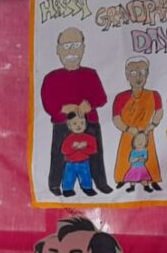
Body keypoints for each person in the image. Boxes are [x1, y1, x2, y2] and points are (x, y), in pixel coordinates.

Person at [39, 27, 112, 196]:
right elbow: (48, 103)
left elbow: (101, 98)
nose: (71, 51)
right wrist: (63, 109)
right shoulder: (51, 78)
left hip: (89, 121)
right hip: (62, 123)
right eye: (66, 46)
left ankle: (100, 183)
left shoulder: (91, 74)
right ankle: (54, 184)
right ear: (58, 50)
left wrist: (89, 104)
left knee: (95, 152)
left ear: (83, 48)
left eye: (76, 45)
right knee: (59, 154)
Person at [112, 56, 163, 191]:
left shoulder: (154, 95)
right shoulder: (120, 97)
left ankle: (152, 180)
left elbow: (159, 111)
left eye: (142, 72)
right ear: (127, 76)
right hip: (128, 133)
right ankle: (123, 179)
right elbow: (116, 118)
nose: (138, 77)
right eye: (133, 73)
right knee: (125, 158)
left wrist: (152, 125)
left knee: (149, 158)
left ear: (147, 74)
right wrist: (128, 128)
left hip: (146, 133)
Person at [60, 111, 97, 197]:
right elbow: (64, 150)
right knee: (68, 177)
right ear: (69, 126)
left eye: (82, 123)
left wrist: (84, 147)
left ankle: (87, 188)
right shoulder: (69, 139)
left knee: (86, 176)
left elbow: (93, 150)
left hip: (84, 162)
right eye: (75, 123)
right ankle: (67, 190)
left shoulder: (90, 138)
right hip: (70, 163)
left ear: (86, 124)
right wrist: (73, 147)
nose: (78, 126)